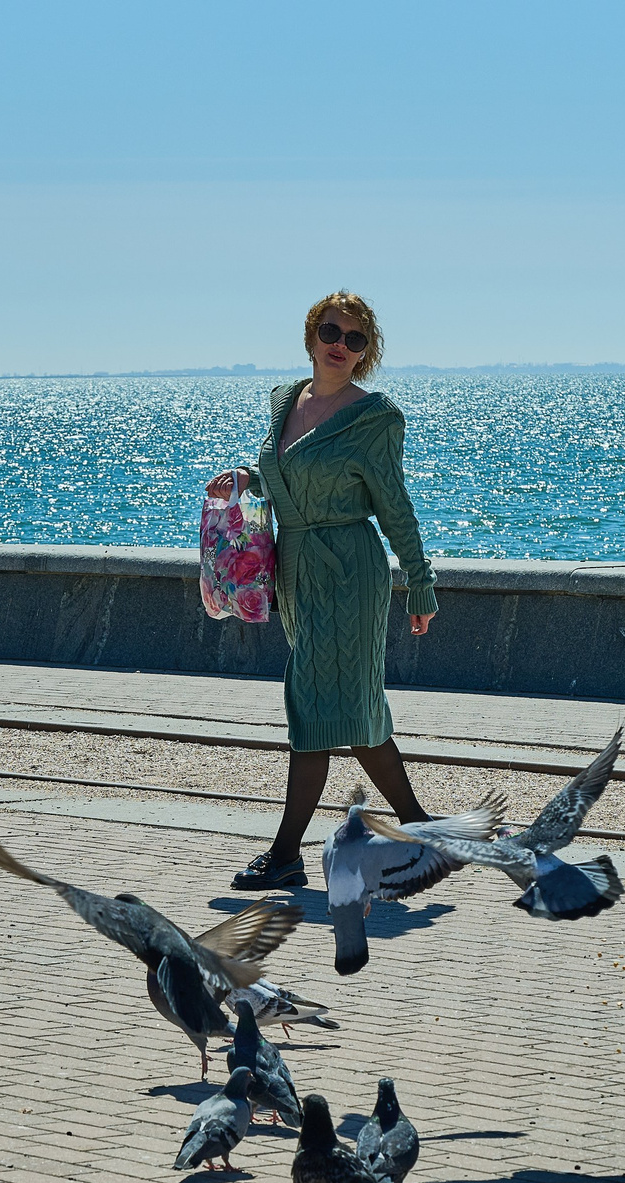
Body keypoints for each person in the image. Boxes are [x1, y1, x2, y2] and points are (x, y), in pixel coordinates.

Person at [208, 292, 438, 889]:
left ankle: (286, 854)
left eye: (355, 339)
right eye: (332, 332)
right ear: (311, 336)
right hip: (297, 571)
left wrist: (420, 584)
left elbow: (396, 507)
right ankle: (421, 830)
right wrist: (247, 479)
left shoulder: (375, 418)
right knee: (356, 710)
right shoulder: (286, 400)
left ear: (365, 353)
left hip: (349, 572)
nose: (341, 345)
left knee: (312, 703)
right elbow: (288, 474)